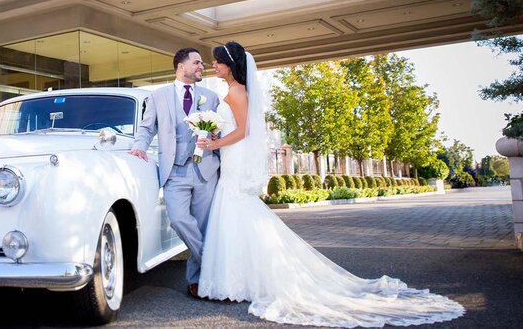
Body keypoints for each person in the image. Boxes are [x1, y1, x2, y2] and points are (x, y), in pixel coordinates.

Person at [194, 41, 465, 327]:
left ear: (230, 65)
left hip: (233, 159)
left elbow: (243, 130)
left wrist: (214, 143)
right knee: (240, 216)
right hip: (232, 159)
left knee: (238, 214)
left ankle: (240, 281)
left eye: (217, 62)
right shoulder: (234, 92)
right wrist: (215, 140)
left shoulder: (237, 93)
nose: (214, 66)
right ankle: (242, 280)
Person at [129, 47, 220, 299]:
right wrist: (139, 148)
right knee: (179, 220)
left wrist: (214, 136)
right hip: (175, 172)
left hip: (206, 171)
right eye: (197, 62)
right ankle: (217, 263)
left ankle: (197, 280)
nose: (202, 66)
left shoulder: (211, 97)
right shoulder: (157, 96)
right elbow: (146, 129)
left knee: (204, 227)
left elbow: (219, 134)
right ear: (181, 66)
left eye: (202, 63)